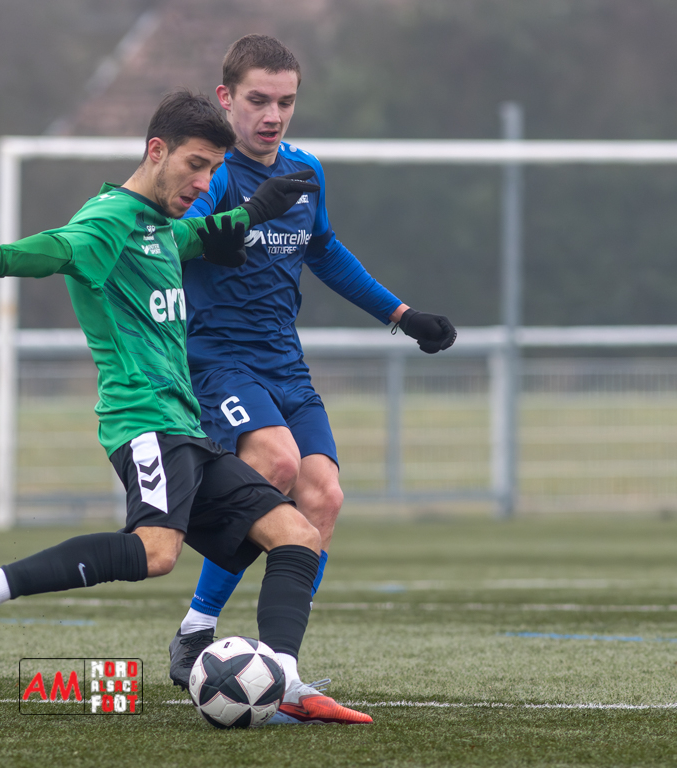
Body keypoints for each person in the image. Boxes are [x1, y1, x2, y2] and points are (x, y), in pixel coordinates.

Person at [0, 90, 373, 725]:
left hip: (186, 427)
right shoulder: (110, 219)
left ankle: (282, 681)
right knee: (157, 552)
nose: (204, 182)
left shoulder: (157, 227)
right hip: (143, 423)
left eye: (213, 169)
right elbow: (60, 248)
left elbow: (194, 237)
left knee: (296, 534)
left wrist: (255, 211)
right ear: (156, 151)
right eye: (195, 165)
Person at [168, 36, 457, 702]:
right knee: (275, 464)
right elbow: (181, 242)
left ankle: (280, 668)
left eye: (286, 101)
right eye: (258, 100)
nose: (273, 115)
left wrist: (401, 314)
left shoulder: (305, 171)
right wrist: (247, 216)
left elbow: (324, 251)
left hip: (283, 361)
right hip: (217, 357)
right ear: (226, 98)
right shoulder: (211, 174)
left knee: (323, 496)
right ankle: (197, 629)